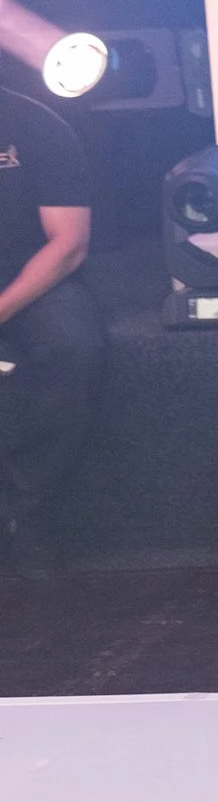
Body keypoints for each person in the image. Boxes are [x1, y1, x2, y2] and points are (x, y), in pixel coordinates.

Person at [0, 84, 97, 575]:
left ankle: (30, 515)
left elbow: (69, 245)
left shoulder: (35, 125)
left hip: (33, 279)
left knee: (69, 346)